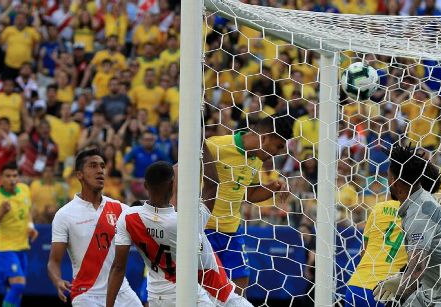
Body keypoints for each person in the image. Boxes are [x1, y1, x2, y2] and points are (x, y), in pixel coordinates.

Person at [107, 161, 252, 307]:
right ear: (172, 185)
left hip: (158, 296)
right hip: (196, 293)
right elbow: (213, 186)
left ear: (145, 186)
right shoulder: (186, 221)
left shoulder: (128, 217)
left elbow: (118, 268)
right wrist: (203, 142)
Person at [194, 116, 294, 292]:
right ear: (264, 138)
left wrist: (273, 187)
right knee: (202, 288)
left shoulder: (257, 159)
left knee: (240, 286)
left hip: (232, 231)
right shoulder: (215, 146)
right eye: (278, 146)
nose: (278, 153)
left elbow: (248, 193)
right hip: (204, 229)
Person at [373, 142, 441, 306]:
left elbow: (418, 268)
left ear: (394, 180)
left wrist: (397, 300)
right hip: (431, 292)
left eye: (388, 176)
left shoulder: (420, 212)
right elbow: (426, 256)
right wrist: (402, 277)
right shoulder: (416, 204)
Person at [47, 148, 140, 306]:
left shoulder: (120, 209)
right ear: (79, 175)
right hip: (86, 294)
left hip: (121, 291)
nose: (100, 171)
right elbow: (53, 261)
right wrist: (57, 280)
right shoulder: (64, 215)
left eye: (102, 166)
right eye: (93, 166)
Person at [345, 158, 441, 307]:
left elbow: (363, 252)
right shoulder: (421, 214)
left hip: (356, 287)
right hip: (386, 292)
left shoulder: (378, 209)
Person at [0, 162, 38, 307]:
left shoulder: (24, 189)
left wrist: (31, 227)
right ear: (1, 178)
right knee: (18, 285)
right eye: (8, 176)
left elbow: (28, 212)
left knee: (15, 290)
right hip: (4, 249)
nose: (12, 179)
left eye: (15, 175)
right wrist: (1, 212)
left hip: (21, 248)